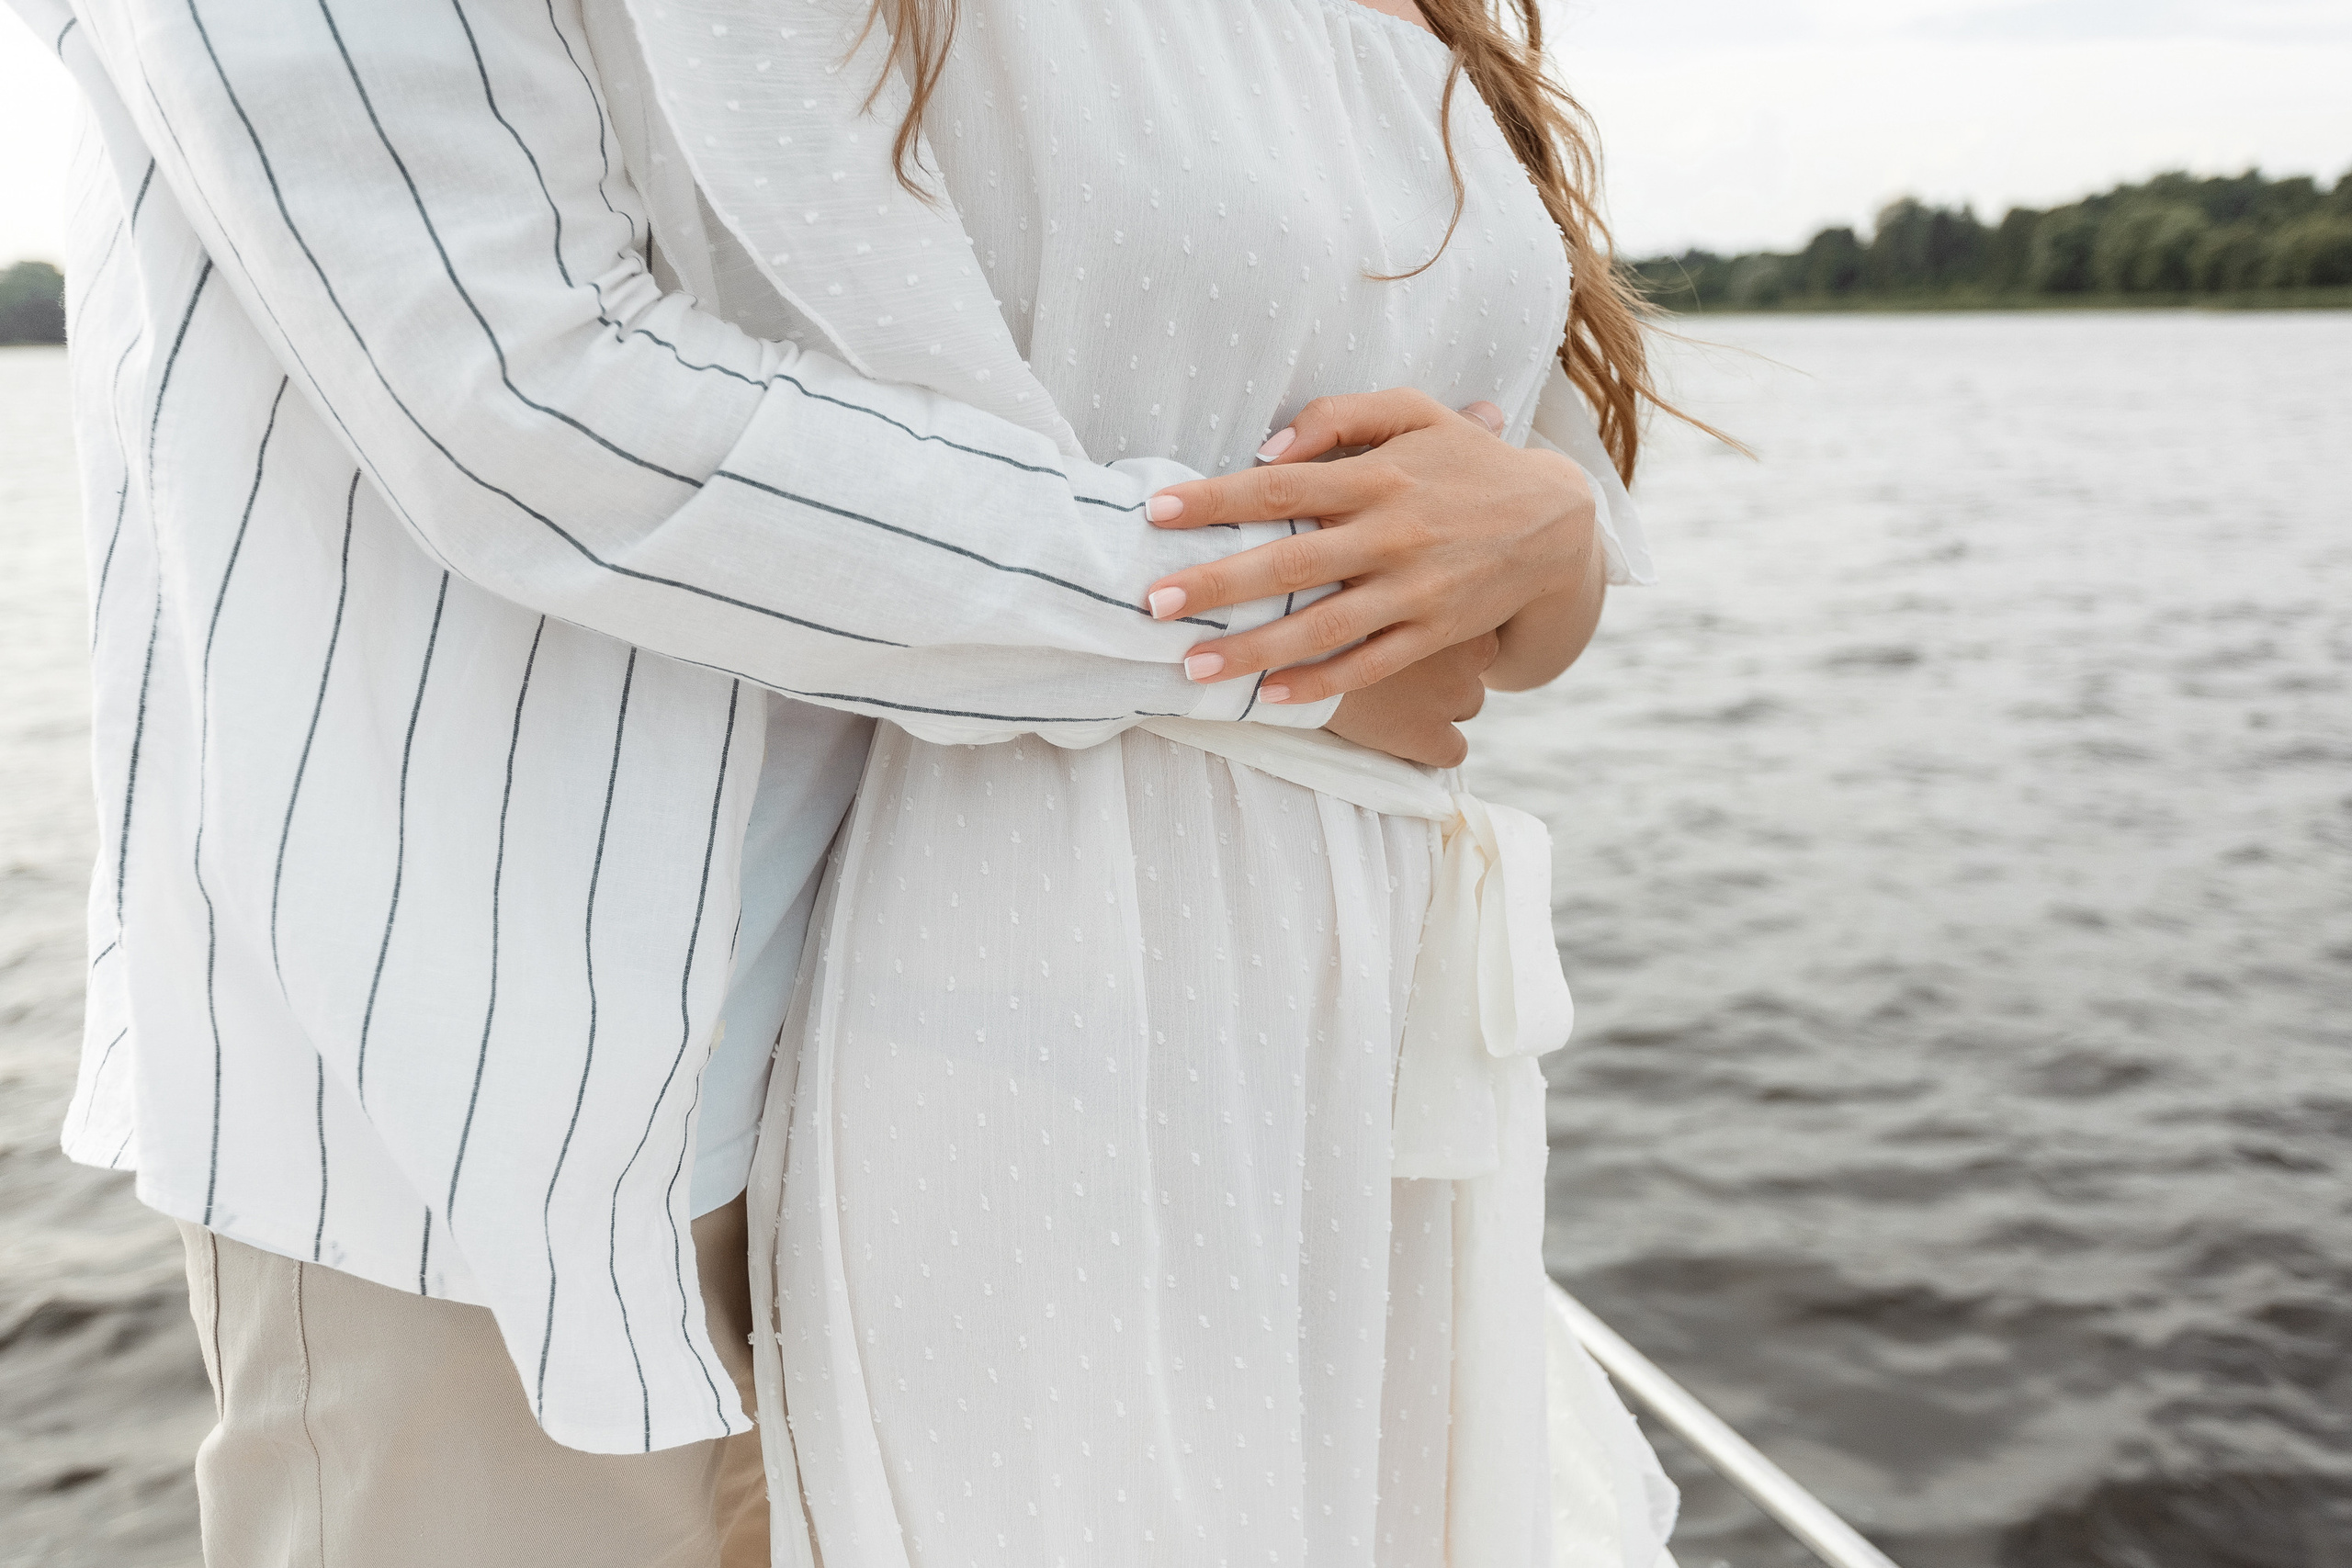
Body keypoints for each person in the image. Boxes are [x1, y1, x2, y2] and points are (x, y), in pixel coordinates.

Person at [22, 0, 1674, 1562]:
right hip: (495, 1061)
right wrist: (1291, 631)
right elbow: (523, 392)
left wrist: (1536, 548)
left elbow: (1405, 443)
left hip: (1046, 1037)